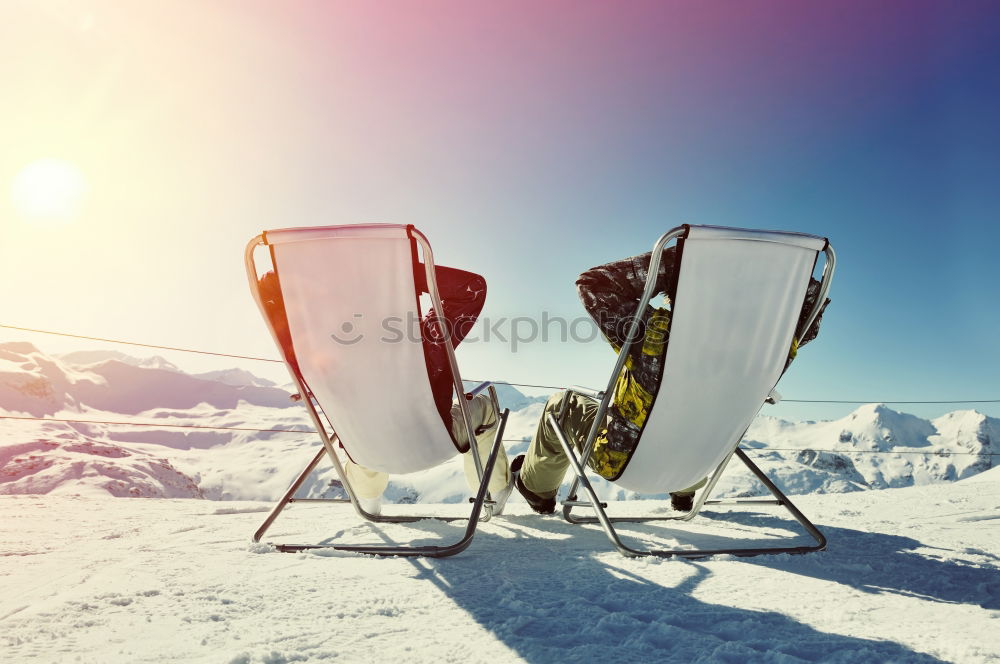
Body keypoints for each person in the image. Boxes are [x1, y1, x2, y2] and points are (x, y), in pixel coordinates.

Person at [511, 248, 829, 514]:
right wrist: (773, 280)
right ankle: (683, 490)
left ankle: (537, 491)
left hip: (624, 463)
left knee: (563, 405)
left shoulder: (653, 331)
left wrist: (682, 262)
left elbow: (592, 283)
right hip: (698, 464)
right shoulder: (773, 345)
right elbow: (812, 309)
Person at [258, 265, 512, 515]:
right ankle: (495, 492)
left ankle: (367, 499)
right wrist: (394, 270)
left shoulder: (319, 350)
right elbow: (471, 289)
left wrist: (307, 275)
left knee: (362, 419)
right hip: (432, 442)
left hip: (366, 451)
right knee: (485, 406)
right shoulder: (426, 339)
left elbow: (271, 299)